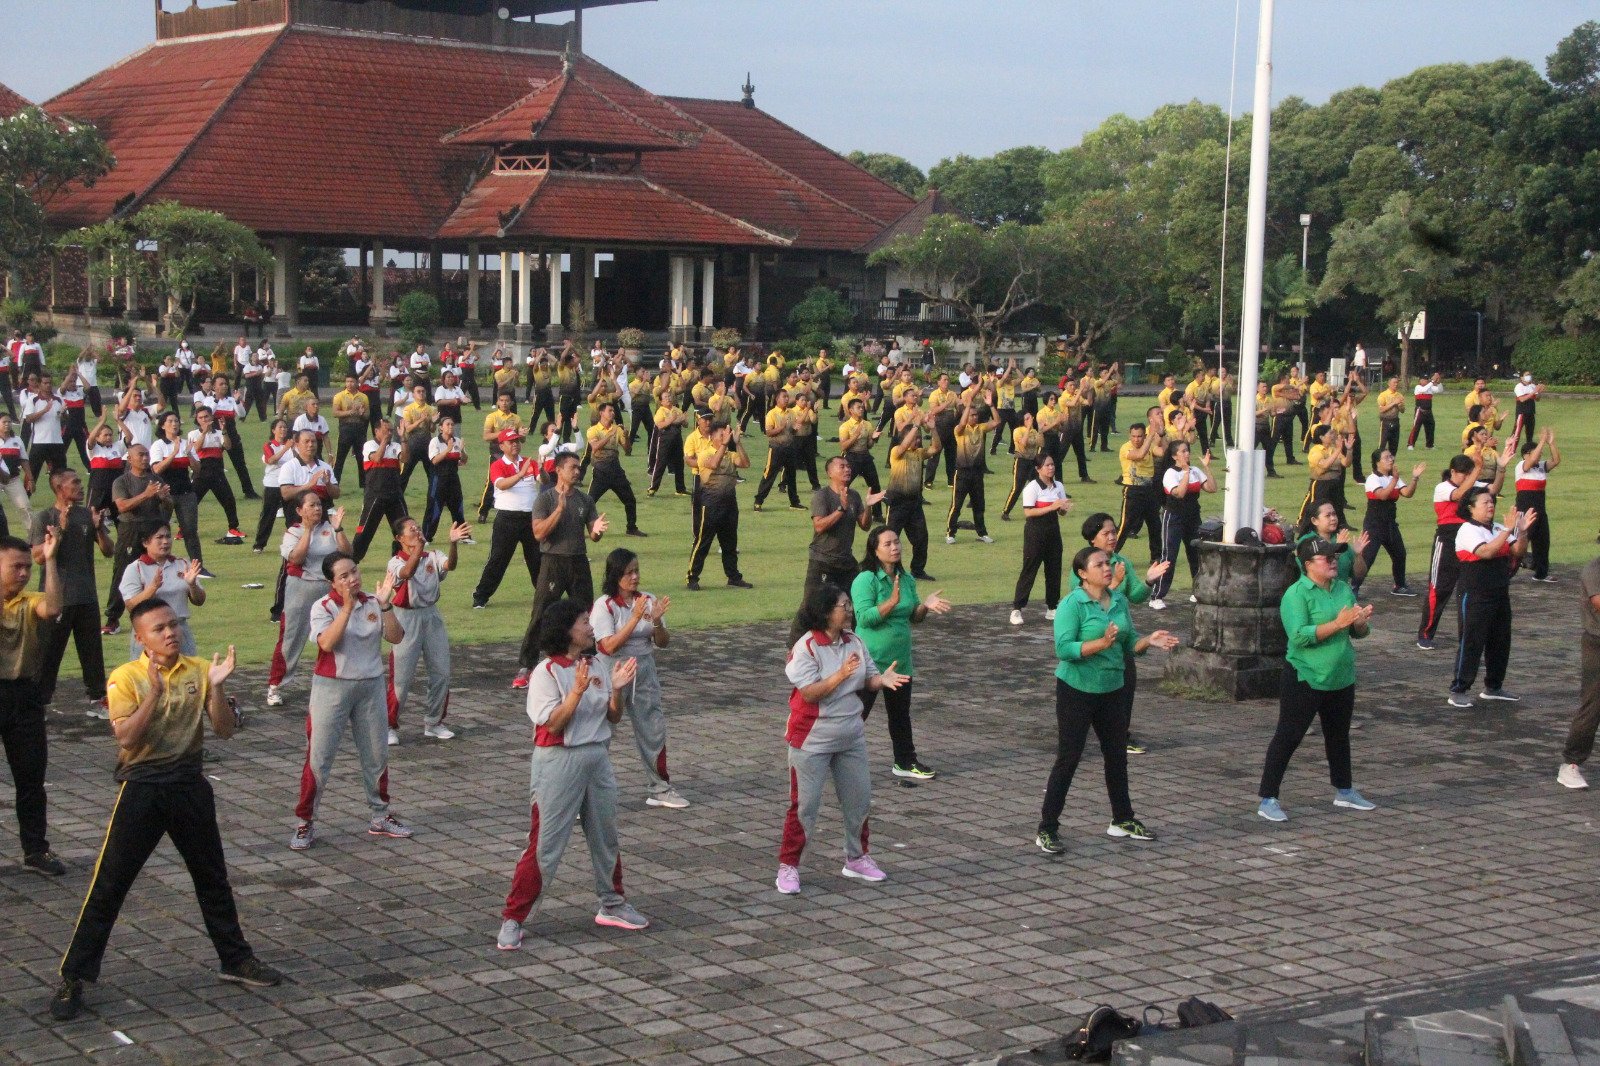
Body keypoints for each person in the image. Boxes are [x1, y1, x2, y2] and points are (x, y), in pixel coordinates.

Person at [50, 602, 281, 1022]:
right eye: (159, 628)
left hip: (189, 786)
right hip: (142, 789)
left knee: (213, 880)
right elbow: (127, 738)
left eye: (173, 624)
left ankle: (235, 960)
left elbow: (225, 731)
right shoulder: (126, 677)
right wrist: (154, 693)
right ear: (140, 637)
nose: (170, 632)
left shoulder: (197, 669)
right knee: (109, 886)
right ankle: (74, 976)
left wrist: (215, 690)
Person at [496, 598, 646, 949]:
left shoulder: (594, 664)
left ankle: (612, 903)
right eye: (583, 621)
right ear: (566, 631)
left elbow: (612, 717)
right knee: (545, 845)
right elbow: (553, 722)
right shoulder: (546, 673)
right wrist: (576, 693)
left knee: (605, 834)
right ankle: (514, 918)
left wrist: (617, 690)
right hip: (558, 763)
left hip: (597, 758)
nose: (590, 627)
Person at [1035, 546, 1179, 854]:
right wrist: (1100, 643)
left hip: (1113, 688)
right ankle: (1047, 827)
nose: (1107, 567)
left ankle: (1122, 819)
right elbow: (1064, 650)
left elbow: (1128, 644)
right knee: (1069, 757)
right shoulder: (1072, 604)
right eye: (1099, 564)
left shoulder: (1119, 601)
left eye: (1108, 562)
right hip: (1077, 690)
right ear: (1082, 574)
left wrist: (1149, 641)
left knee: (1116, 756)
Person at [775, 582, 909, 894]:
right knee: (804, 806)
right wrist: (841, 675)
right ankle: (788, 866)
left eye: (848, 604)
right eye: (842, 606)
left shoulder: (855, 642)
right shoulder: (805, 648)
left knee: (859, 800)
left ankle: (857, 858)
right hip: (811, 741)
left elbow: (868, 677)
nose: (849, 610)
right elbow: (809, 693)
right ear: (824, 613)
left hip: (851, 738)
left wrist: (880, 681)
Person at [289, 552, 411, 850]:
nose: (352, 579)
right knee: (320, 757)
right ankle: (306, 821)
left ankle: (380, 815)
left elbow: (396, 637)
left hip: (370, 686)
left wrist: (385, 606)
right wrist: (345, 609)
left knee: (376, 754)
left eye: (354, 571)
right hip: (331, 688)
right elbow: (327, 644)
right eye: (343, 576)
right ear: (332, 581)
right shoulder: (323, 606)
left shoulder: (372, 601)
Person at [1256, 536, 1376, 822]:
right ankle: (1268, 798)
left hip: (1341, 677)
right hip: (1306, 677)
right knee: (1288, 736)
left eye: (1334, 556)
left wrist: (1359, 624)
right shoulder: (1296, 595)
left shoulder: (1343, 589)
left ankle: (1344, 791)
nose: (1334, 561)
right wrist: (1338, 623)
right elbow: (1299, 636)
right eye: (1327, 558)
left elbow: (1356, 633)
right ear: (1307, 564)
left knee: (1339, 736)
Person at [851, 526, 951, 780]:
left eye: (897, 542)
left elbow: (914, 617)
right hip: (870, 661)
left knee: (900, 715)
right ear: (874, 549)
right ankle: (834, 756)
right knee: (855, 714)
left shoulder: (906, 579)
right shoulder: (866, 580)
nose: (895, 547)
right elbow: (864, 618)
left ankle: (905, 762)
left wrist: (925, 606)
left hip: (900, 660)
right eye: (888, 544)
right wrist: (891, 602)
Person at [592, 549, 687, 808]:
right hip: (612, 670)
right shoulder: (604, 606)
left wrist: (656, 622)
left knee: (653, 728)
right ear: (615, 575)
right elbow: (608, 646)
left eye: (637, 571)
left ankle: (660, 789)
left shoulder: (648, 600)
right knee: (600, 732)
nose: (635, 577)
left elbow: (663, 642)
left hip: (644, 669)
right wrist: (634, 619)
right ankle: (586, 795)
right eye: (628, 572)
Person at [1073, 514, 1171, 757]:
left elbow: (1135, 596)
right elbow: (1081, 599)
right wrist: (1114, 583)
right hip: (1094, 640)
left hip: (1119, 638)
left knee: (1126, 688)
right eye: (1106, 533)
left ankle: (1121, 736)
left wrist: (1148, 581)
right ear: (1092, 538)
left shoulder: (1121, 561)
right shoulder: (1084, 563)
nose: (1112, 537)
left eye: (1114, 532)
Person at [0, 531, 64, 876]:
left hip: (24, 695)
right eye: (16, 567)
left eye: (27, 567)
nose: (23, 574)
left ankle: (36, 849)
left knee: (31, 777)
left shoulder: (29, 602)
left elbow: (53, 607)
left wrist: (50, 560)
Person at [516, 452, 608, 687]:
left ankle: (588, 659)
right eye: (572, 467)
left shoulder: (585, 500)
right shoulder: (545, 500)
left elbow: (593, 535)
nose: (577, 471)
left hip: (578, 561)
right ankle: (526, 665)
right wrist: (558, 510)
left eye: (579, 468)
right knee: (541, 613)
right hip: (553, 561)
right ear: (558, 470)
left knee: (585, 613)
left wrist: (597, 530)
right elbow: (538, 533)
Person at [31, 470, 113, 713]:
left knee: (92, 651)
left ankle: (97, 699)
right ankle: (40, 702)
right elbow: (37, 557)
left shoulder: (87, 514)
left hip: (86, 595)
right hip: (57, 598)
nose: (80, 486)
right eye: (74, 482)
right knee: (49, 652)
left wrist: (98, 529)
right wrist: (60, 530)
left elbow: (109, 551)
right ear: (59, 488)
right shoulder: (44, 516)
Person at [1447, 487, 1534, 709]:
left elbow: (1518, 552)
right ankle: (1459, 689)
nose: (1490, 505)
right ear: (1471, 507)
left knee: (1501, 641)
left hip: (1499, 593)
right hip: (1475, 594)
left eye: (1491, 501)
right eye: (1485, 502)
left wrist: (1521, 532)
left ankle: (1493, 686)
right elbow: (1486, 552)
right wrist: (1507, 530)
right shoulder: (1467, 530)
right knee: (1472, 641)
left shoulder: (1496, 527)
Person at [266, 493, 350, 708]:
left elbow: (348, 555)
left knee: (338, 634)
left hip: (329, 589)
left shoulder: (330, 528)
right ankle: (275, 685)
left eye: (319, 505)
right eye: (311, 505)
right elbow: (296, 558)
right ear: (300, 510)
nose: (317, 509)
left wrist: (338, 528)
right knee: (291, 636)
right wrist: (308, 530)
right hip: (301, 588)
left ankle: (336, 677)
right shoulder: (293, 532)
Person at [388, 517, 467, 741]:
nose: (417, 531)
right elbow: (406, 573)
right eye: (411, 530)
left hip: (431, 616)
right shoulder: (395, 562)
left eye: (418, 528)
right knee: (401, 680)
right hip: (405, 619)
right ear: (400, 538)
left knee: (441, 673)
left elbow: (449, 565)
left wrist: (452, 544)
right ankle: (389, 725)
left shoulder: (433, 555)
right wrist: (420, 546)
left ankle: (434, 722)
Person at [790, 456, 878, 643]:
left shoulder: (853, 495)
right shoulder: (822, 496)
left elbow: (864, 525)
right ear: (830, 473)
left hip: (846, 561)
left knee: (856, 603)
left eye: (848, 466)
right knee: (810, 604)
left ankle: (858, 643)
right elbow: (819, 526)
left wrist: (869, 506)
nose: (847, 469)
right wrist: (841, 509)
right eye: (842, 466)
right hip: (822, 561)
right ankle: (794, 645)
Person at [471, 428, 541, 610]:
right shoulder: (497, 465)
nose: (516, 444)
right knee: (498, 559)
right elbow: (501, 484)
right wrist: (520, 474)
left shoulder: (529, 462)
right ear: (502, 446)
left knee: (537, 559)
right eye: (511, 442)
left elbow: (541, 478)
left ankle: (545, 595)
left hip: (530, 518)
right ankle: (481, 596)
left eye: (517, 441)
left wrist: (544, 472)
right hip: (507, 518)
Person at [117, 524, 205, 657]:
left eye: (168, 536)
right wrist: (153, 587)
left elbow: (199, 600)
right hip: (149, 631)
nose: (165, 541)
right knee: (147, 675)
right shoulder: (135, 568)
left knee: (187, 674)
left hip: (179, 628)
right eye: (159, 537)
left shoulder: (182, 564)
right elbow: (131, 606)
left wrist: (192, 585)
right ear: (146, 542)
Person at [1149, 441, 1216, 610]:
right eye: (1183, 451)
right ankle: (1157, 595)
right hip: (1174, 518)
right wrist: (1186, 473)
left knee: (1196, 554)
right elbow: (1179, 493)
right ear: (1174, 456)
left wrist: (1206, 468)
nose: (1187, 454)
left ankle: (1197, 591)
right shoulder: (1170, 474)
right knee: (1169, 555)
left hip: (1193, 517)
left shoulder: (1195, 471)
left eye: (1188, 451)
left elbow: (1212, 488)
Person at [685, 421, 752, 591]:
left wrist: (737, 443)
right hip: (710, 504)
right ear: (712, 436)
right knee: (703, 542)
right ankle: (692, 577)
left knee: (730, 543)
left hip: (730, 504)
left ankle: (733, 577)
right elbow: (714, 464)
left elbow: (745, 463)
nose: (726, 437)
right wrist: (724, 445)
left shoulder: (730, 454)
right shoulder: (704, 453)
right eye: (723, 434)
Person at [1009, 454, 1073, 627]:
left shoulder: (1058, 485)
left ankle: (1052, 607)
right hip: (1035, 533)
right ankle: (1017, 608)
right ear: (1038, 469)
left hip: (1053, 531)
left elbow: (1060, 511)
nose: (1051, 468)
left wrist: (1063, 508)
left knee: (1054, 569)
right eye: (1047, 465)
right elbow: (1028, 512)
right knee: (1030, 569)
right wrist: (1052, 507)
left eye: (1052, 464)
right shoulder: (1032, 488)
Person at [1358, 450, 1426, 597]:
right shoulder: (1372, 479)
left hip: (1389, 524)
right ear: (1377, 462)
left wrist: (1414, 478)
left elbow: (1407, 493)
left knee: (1400, 554)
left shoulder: (1392, 477)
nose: (1391, 459)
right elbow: (1382, 496)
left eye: (1391, 456)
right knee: (1368, 558)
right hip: (1374, 525)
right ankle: (1354, 587)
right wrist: (1394, 480)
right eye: (1386, 457)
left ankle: (1399, 585)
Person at [150, 412, 210, 576]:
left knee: (190, 531)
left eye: (176, 420)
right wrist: (173, 453)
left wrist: (189, 453)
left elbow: (197, 470)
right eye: (170, 421)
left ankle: (198, 568)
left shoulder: (186, 443)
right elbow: (156, 469)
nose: (174, 424)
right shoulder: (158, 445)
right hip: (165, 495)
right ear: (163, 425)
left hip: (186, 493)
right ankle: (156, 565)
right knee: (160, 530)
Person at [1559, 554, 1600, 789]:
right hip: (1597, 644)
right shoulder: (1594, 569)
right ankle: (1571, 764)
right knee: (1592, 706)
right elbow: (1598, 601)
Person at [884, 416, 938, 581]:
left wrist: (933, 428)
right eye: (915, 438)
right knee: (890, 539)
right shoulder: (896, 453)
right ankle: (890, 571)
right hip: (897, 503)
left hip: (914, 503)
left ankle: (917, 570)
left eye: (920, 438)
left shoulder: (919, 454)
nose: (918, 441)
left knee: (921, 538)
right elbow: (903, 447)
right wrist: (915, 425)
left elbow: (936, 448)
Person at [945, 393, 999, 545]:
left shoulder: (981, 428)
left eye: (976, 415)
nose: (975, 417)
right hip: (962, 473)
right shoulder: (959, 430)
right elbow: (961, 424)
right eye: (972, 415)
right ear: (966, 416)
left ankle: (982, 533)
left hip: (977, 473)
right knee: (957, 504)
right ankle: (950, 533)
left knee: (979, 504)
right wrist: (968, 406)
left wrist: (991, 405)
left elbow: (997, 422)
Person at [351, 419, 408, 563]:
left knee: (404, 528)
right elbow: (377, 458)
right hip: (375, 495)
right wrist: (384, 442)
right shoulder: (369, 445)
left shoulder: (396, 446)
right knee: (365, 531)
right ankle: (352, 559)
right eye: (385, 431)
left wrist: (403, 439)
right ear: (376, 431)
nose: (389, 433)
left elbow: (405, 459)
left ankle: (405, 558)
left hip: (395, 495)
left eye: (390, 431)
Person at [585, 403, 644, 537]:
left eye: (613, 411)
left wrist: (627, 437)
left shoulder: (617, 429)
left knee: (630, 500)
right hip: (600, 472)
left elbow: (627, 450)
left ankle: (631, 528)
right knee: (589, 502)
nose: (613, 413)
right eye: (609, 410)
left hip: (616, 471)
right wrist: (609, 435)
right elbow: (594, 448)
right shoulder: (593, 430)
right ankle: (579, 530)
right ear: (601, 413)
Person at [189, 407, 246, 544]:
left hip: (217, 472)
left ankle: (233, 528)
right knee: (191, 502)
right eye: (201, 417)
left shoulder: (220, 433)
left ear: (211, 418)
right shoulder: (194, 434)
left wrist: (224, 430)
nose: (204, 420)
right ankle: (184, 529)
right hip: (201, 472)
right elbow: (195, 449)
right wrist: (204, 433)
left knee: (228, 500)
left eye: (206, 417)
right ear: (197, 420)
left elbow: (228, 446)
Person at [1513, 430, 1558, 583]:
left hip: (1540, 510)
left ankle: (1541, 573)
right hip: (1525, 511)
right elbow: (1530, 461)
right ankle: (1506, 571)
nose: (1539, 455)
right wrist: (1541, 442)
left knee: (1543, 542)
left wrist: (1551, 443)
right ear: (1526, 454)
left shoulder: (1540, 467)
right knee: (1519, 543)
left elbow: (1556, 460)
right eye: (1536, 452)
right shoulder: (1521, 466)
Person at [252, 419, 295, 553]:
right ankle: (259, 544)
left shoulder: (293, 446)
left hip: (288, 485)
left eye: (285, 427)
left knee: (292, 515)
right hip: (273, 485)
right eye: (280, 427)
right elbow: (271, 460)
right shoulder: (270, 445)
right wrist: (286, 448)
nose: (283, 430)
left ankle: (294, 543)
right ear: (273, 430)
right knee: (268, 516)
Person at [753, 389, 800, 511]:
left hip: (790, 448)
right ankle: (758, 501)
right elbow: (768, 432)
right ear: (777, 399)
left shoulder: (791, 412)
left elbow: (792, 431)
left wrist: (795, 429)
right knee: (769, 475)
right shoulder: (772, 414)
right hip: (776, 449)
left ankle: (794, 502)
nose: (786, 399)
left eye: (787, 397)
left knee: (791, 476)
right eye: (784, 397)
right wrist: (781, 427)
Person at [424, 417, 468, 542]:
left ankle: (464, 536)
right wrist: (448, 449)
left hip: (454, 479)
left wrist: (462, 451)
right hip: (438, 480)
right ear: (441, 427)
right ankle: (426, 537)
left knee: (458, 508)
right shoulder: (435, 442)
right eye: (448, 424)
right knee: (434, 509)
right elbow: (435, 460)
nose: (451, 426)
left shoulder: (457, 441)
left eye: (452, 424)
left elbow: (464, 461)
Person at [1000, 411, 1043, 522]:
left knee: (1037, 485)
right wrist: (1028, 429)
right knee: (1017, 488)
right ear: (1022, 421)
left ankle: (1037, 510)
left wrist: (1041, 430)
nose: (1031, 419)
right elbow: (1023, 443)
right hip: (1021, 461)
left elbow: (1041, 444)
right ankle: (1006, 512)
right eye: (1027, 418)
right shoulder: (1017, 431)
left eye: (1031, 417)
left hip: (1033, 461)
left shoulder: (1034, 431)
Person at [1376, 377, 1405, 457]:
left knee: (1394, 446)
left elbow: (1402, 410)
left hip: (1395, 421)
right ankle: (1378, 463)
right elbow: (1381, 410)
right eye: (1394, 382)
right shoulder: (1383, 395)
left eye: (1397, 382)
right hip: (1385, 422)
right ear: (1389, 384)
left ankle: (1391, 465)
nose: (1396, 384)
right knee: (1382, 445)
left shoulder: (1399, 395)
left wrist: (1400, 405)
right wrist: (1393, 403)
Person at [1513, 372, 1543, 446]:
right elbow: (1522, 399)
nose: (1529, 376)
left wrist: (1539, 392)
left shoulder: (1532, 386)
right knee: (1516, 433)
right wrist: (1534, 392)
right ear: (1522, 378)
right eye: (1526, 375)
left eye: (1529, 375)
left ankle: (1529, 450)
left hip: (1531, 412)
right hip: (1522, 413)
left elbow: (1537, 399)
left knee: (1530, 434)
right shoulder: (1519, 386)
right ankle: (1511, 450)